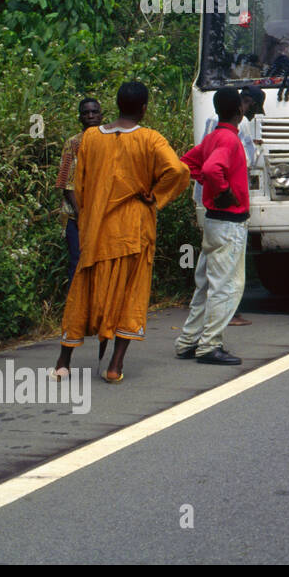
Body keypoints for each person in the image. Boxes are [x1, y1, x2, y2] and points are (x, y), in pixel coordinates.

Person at [53, 82, 191, 383]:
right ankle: (115, 365)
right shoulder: (150, 139)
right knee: (130, 294)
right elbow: (179, 171)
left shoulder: (90, 138)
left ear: (115, 104)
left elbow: (80, 185)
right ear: (144, 108)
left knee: (83, 289)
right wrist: (155, 195)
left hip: (96, 229)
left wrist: (88, 218)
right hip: (133, 228)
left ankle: (63, 362)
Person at [176, 87, 250, 365]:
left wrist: (210, 184)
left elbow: (186, 164)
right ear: (240, 110)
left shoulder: (212, 137)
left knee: (205, 285)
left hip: (212, 221)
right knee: (227, 286)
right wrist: (222, 189)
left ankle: (188, 341)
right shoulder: (229, 140)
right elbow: (210, 169)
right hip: (230, 222)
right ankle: (209, 345)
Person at [57, 97, 103, 285]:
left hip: (103, 215)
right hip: (76, 217)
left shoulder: (110, 140)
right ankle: (74, 311)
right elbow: (67, 185)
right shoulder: (73, 143)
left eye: (94, 112)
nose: (90, 116)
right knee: (78, 263)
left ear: (102, 116)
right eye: (86, 113)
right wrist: (82, 215)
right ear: (80, 117)